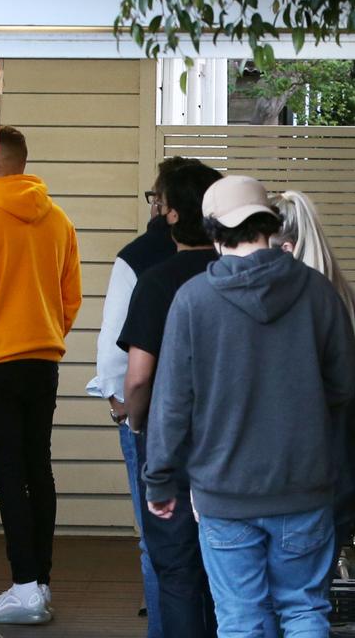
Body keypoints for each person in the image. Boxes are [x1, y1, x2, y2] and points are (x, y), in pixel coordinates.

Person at [144, 175, 355, 637]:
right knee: (304, 610)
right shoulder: (319, 293)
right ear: (269, 223)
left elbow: (171, 404)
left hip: (224, 495)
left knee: (241, 619)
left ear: (213, 232)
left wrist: (159, 479)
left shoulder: (193, 301)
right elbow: (344, 387)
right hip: (304, 488)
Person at [0, 126, 82, 625]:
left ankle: (24, 586)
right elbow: (71, 298)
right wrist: (49, 331)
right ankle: (40, 581)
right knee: (38, 468)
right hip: (42, 359)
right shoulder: (59, 221)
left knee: (9, 473)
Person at [119, 161, 222, 638]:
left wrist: (137, 424)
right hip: (230, 443)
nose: (155, 209)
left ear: (174, 214)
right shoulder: (235, 275)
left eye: (157, 201)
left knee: (177, 572)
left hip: (171, 444)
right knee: (229, 570)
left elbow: (138, 378)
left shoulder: (158, 281)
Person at [270, 191, 355, 577]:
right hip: (342, 464)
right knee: (312, 598)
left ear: (284, 247)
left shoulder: (286, 309)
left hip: (292, 476)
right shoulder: (347, 302)